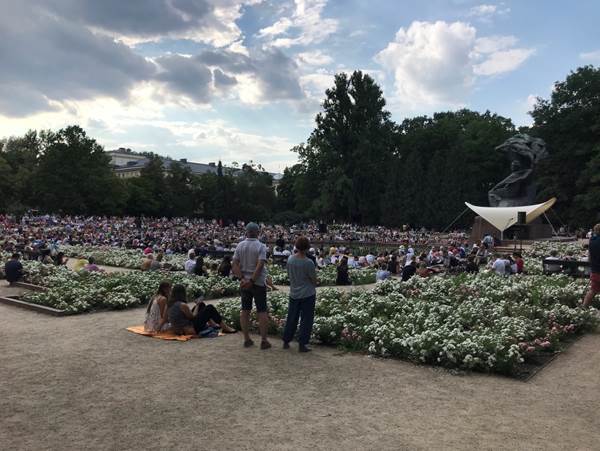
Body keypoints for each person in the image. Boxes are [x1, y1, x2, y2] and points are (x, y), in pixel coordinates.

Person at [232, 222, 271, 349]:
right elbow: (260, 265)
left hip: (244, 282)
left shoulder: (240, 245)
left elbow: (235, 264)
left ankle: (246, 339)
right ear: (258, 232)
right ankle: (264, 340)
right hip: (258, 282)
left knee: (245, 311)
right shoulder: (261, 246)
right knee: (262, 311)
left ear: (246, 232)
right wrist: (252, 280)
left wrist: (243, 279)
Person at [282, 236, 317, 353]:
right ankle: (302, 344)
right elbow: (314, 280)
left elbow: (289, 274)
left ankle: (286, 340)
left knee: (292, 317)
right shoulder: (309, 262)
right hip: (307, 293)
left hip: (294, 292)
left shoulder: (290, 259)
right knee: (306, 319)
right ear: (307, 247)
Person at [167, 284, 236, 335]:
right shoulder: (182, 305)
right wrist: (197, 305)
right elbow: (192, 317)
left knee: (202, 305)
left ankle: (212, 324)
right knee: (210, 307)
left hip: (179, 328)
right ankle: (225, 327)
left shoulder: (170, 304)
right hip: (189, 328)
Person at [583, 224, 600, 308]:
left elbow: (589, 257)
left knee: (593, 290)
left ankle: (584, 307)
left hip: (595, 269)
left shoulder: (592, 240)